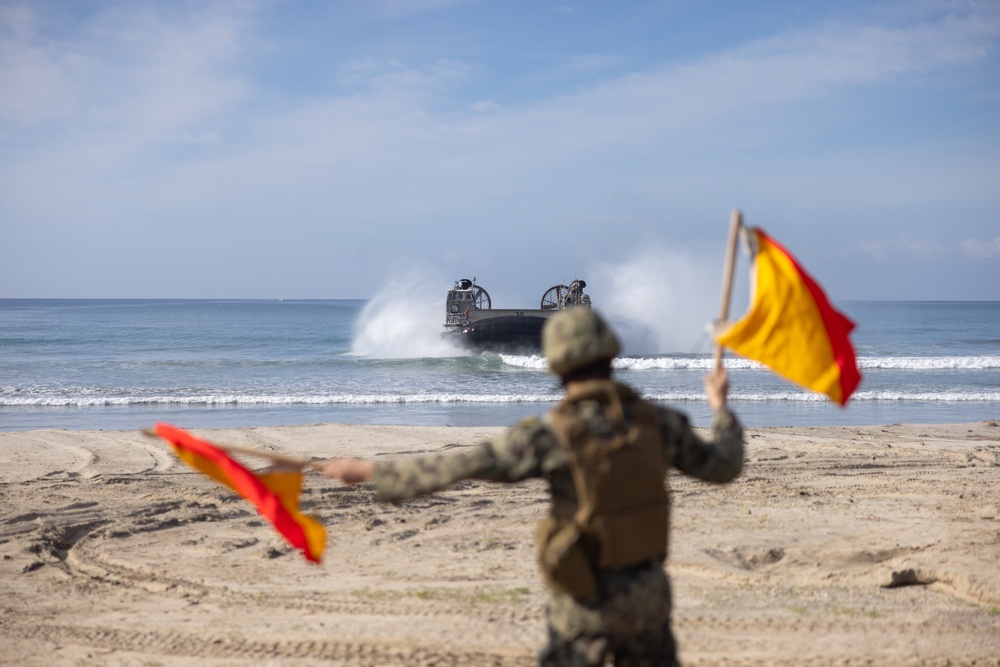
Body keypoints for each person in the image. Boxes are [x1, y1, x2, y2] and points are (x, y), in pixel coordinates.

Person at [324, 308, 744, 666]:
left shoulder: (551, 435)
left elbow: (459, 466)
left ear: (557, 364)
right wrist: (721, 408)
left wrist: (371, 472)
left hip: (585, 603)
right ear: (612, 355)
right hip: (649, 602)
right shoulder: (660, 423)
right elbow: (724, 466)